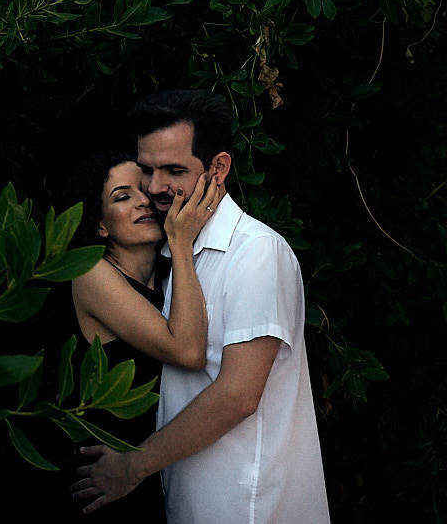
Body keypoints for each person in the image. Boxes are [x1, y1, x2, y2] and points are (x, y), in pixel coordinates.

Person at [72, 90, 330, 523]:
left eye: (174, 171)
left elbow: (238, 395)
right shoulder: (174, 257)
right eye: (147, 171)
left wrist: (133, 465)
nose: (154, 189)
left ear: (219, 167)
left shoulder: (256, 252)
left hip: (247, 506)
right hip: (187, 503)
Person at [59, 150, 221, 522]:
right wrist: (181, 243)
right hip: (104, 484)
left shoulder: (168, 281)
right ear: (100, 225)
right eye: (122, 196)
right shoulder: (90, 272)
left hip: (150, 476)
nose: (142, 200)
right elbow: (189, 350)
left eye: (143, 189)